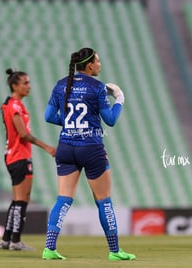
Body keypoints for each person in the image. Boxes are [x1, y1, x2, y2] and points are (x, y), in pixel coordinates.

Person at [41, 47, 136, 261]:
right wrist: (119, 98)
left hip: (65, 146)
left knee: (63, 199)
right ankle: (114, 251)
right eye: (98, 61)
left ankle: (49, 248)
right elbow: (110, 120)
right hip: (91, 148)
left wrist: (71, 124)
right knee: (104, 201)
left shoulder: (60, 84)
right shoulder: (97, 87)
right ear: (90, 65)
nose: (100, 65)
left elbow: (48, 116)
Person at [0, 68, 56, 250]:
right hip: (20, 156)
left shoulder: (11, 105)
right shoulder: (15, 106)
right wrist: (46, 147)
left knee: (17, 199)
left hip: (12, 156)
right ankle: (16, 241)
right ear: (15, 86)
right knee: (23, 199)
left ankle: (6, 239)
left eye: (29, 82)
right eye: (25, 83)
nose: (29, 86)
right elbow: (23, 134)